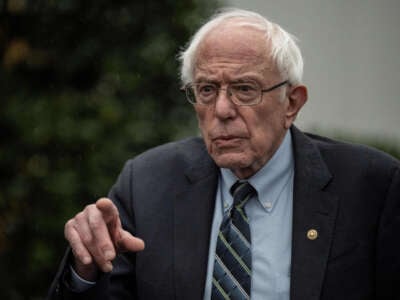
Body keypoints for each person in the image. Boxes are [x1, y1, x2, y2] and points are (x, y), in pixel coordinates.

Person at [47, 8, 400, 300]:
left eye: (244, 89)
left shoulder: (371, 186)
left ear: (291, 103)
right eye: (206, 89)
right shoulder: (146, 183)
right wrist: (86, 270)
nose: (222, 109)